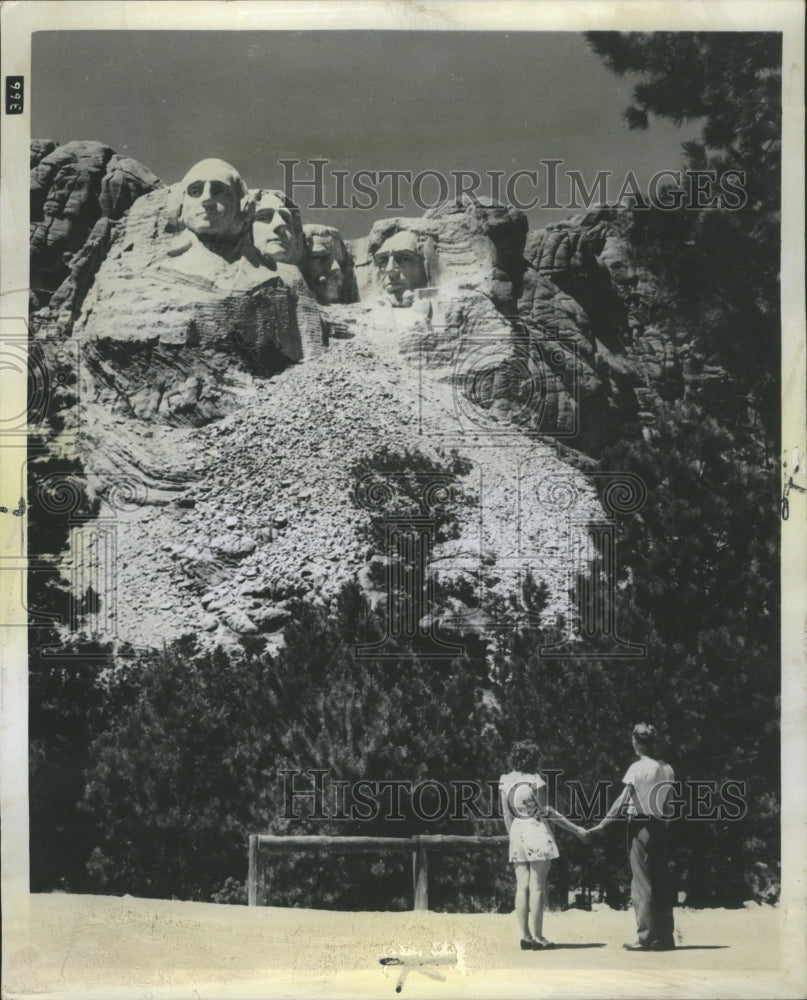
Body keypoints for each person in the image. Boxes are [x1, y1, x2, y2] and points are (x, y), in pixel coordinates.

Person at [589, 723, 676, 951]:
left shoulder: (637, 768)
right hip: (659, 825)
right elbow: (669, 805)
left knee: (641, 882)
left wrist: (603, 824)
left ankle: (645, 937)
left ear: (635, 741)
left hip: (639, 824)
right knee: (660, 880)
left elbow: (621, 800)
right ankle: (665, 937)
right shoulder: (667, 768)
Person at [500, 740, 588, 950]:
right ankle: (539, 936)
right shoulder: (535, 781)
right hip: (536, 830)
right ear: (533, 758)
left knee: (521, 887)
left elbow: (505, 814)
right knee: (537, 887)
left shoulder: (505, 780)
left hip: (517, 831)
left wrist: (512, 835)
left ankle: (525, 935)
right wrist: (576, 829)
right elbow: (547, 810)